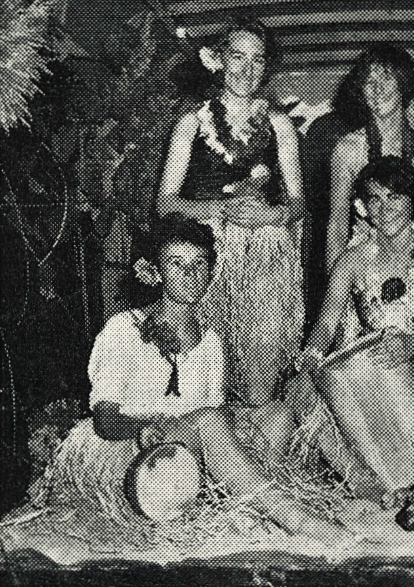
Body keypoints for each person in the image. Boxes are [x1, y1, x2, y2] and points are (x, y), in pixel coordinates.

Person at [25, 214, 354, 548]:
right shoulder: (124, 328)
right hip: (130, 450)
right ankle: (295, 519)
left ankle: (246, 507)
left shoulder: (210, 340)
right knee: (210, 422)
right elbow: (105, 421)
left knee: (277, 413)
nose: (190, 273)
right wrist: (145, 427)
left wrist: (242, 422)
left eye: (200, 263)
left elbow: (211, 417)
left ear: (211, 272)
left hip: (185, 446)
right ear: (153, 272)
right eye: (176, 263)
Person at [297, 157, 414, 504]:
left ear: (412, 201)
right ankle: (369, 479)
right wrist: (311, 360)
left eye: (394, 197)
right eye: (375, 199)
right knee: (302, 393)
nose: (385, 207)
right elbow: (326, 322)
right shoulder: (352, 260)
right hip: (371, 368)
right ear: (362, 208)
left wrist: (411, 345)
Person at [155, 18, 304, 406]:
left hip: (267, 261)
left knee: (261, 369)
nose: (247, 69)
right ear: (218, 60)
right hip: (209, 260)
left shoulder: (280, 126)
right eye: (237, 57)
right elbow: (165, 203)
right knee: (210, 376)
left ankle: (261, 450)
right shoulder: (191, 124)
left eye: (258, 60)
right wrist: (222, 208)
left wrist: (271, 217)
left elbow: (299, 202)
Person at [326, 45, 414, 261]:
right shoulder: (347, 149)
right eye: (369, 82)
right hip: (368, 258)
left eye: (387, 79)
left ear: (402, 84)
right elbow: (337, 223)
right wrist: (336, 287)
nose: (378, 90)